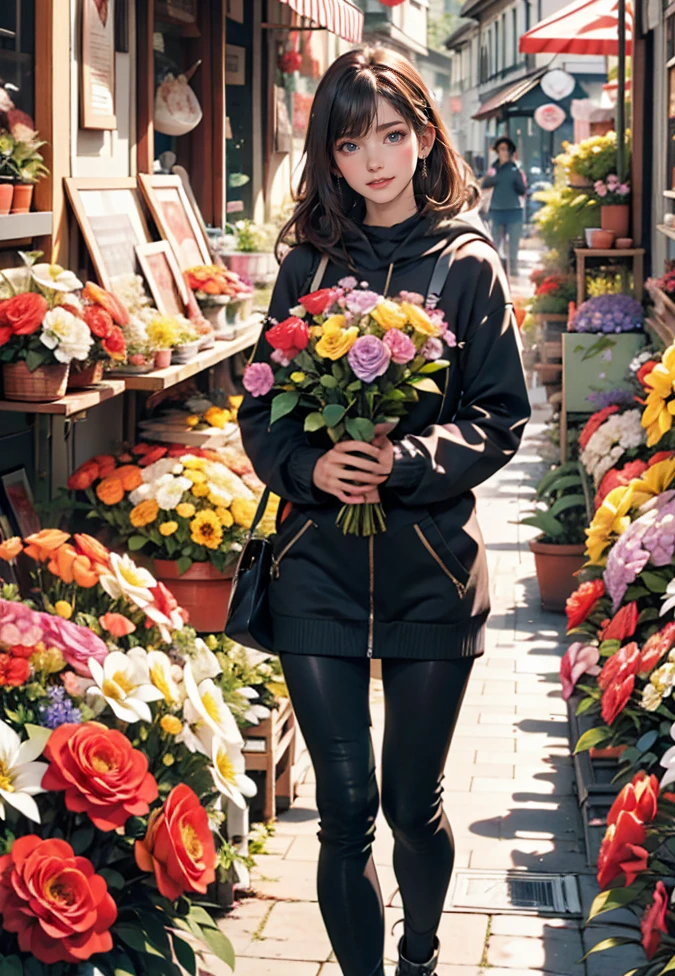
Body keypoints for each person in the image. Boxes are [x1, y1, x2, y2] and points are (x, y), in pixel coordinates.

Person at [239, 48, 530, 976]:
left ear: (423, 137)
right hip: (316, 563)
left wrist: (402, 461)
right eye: (352, 141)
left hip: (431, 569)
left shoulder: (469, 265)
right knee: (345, 805)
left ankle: (421, 954)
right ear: (328, 155)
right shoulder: (310, 266)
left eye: (393, 136)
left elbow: (501, 417)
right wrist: (313, 465)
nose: (376, 160)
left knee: (411, 802)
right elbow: (259, 406)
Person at [481, 136, 527, 276]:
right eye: (501, 149)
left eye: (507, 149)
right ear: (497, 151)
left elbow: (522, 190)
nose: (504, 152)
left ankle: (513, 269)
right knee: (495, 243)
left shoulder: (515, 169)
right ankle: (495, 270)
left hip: (514, 211)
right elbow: (484, 184)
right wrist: (493, 179)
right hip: (496, 211)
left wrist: (517, 181)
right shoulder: (493, 169)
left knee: (513, 245)